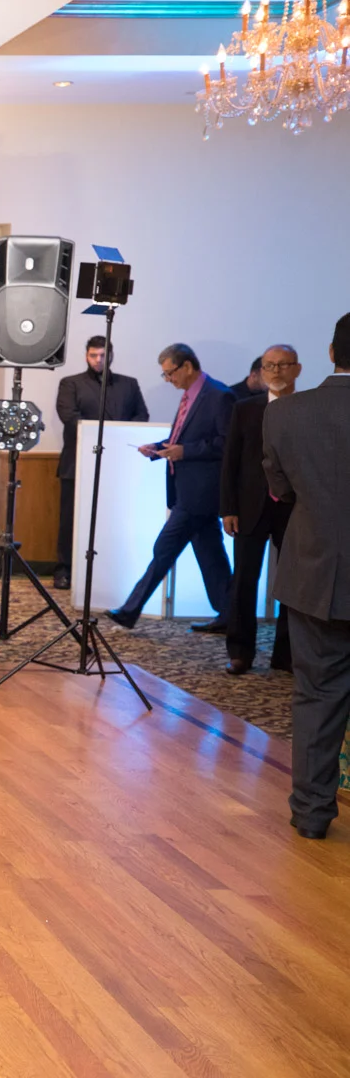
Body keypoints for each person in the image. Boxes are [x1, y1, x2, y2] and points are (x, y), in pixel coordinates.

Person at [262, 312, 350, 841]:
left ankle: (313, 813)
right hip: (319, 572)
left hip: (316, 572)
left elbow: (282, 491)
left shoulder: (285, 414)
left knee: (317, 694)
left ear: (331, 352)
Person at [107, 344, 234, 631]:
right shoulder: (191, 395)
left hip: (200, 493)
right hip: (188, 491)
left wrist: (185, 452)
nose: (168, 380)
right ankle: (230, 615)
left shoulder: (219, 395)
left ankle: (130, 610)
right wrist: (157, 448)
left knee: (164, 548)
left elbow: (227, 443)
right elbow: (183, 438)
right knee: (211, 556)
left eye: (170, 373)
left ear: (187, 366)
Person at [220, 344, 300, 676]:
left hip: (294, 508)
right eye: (269, 366)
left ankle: (286, 654)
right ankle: (240, 652)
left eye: (283, 365)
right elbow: (230, 461)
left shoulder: (307, 408)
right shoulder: (245, 409)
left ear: (297, 369)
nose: (276, 371)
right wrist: (228, 509)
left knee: (293, 583)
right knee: (244, 580)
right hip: (248, 507)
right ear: (261, 371)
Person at [53, 336, 150, 589]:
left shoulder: (129, 385)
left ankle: (110, 568)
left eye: (103, 355)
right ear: (86, 356)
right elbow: (69, 418)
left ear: (111, 356)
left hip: (118, 465)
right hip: (77, 463)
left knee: (113, 517)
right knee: (70, 518)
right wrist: (109, 433)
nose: (98, 360)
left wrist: (117, 437)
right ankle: (65, 568)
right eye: (93, 355)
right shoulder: (71, 384)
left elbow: (141, 416)